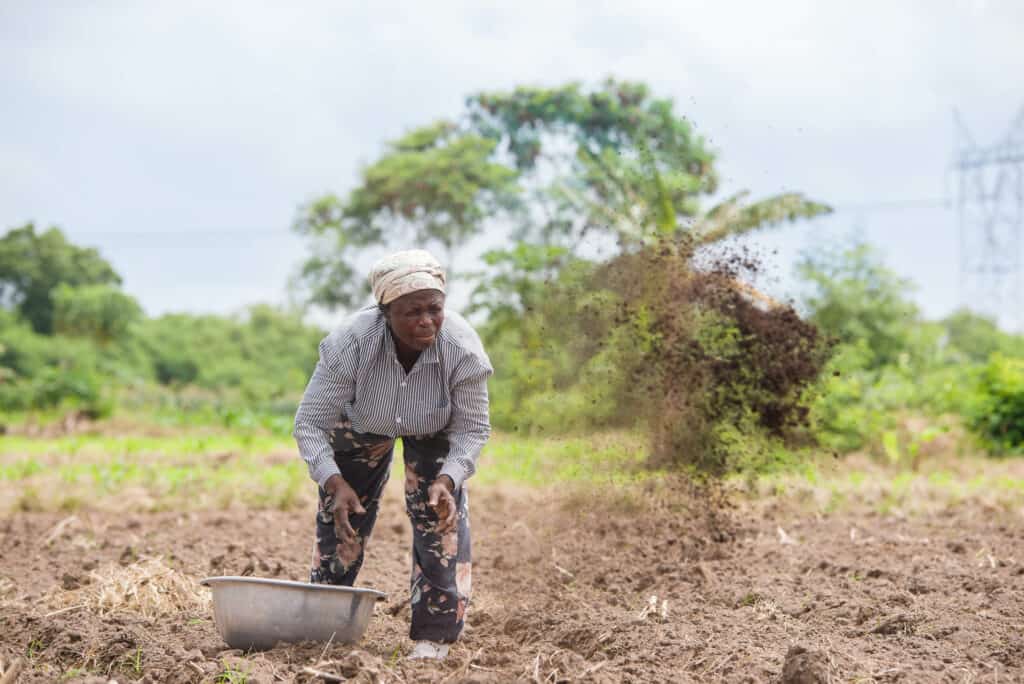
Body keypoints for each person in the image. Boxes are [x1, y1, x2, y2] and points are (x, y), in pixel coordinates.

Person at [293, 249, 493, 660]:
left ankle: (433, 639)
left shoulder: (463, 350)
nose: (426, 320)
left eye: (434, 309)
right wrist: (334, 481)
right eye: (412, 311)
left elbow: (473, 427)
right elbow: (310, 423)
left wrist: (448, 478)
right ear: (385, 312)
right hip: (362, 424)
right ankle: (324, 627)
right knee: (344, 514)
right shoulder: (351, 342)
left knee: (438, 516)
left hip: (434, 427)